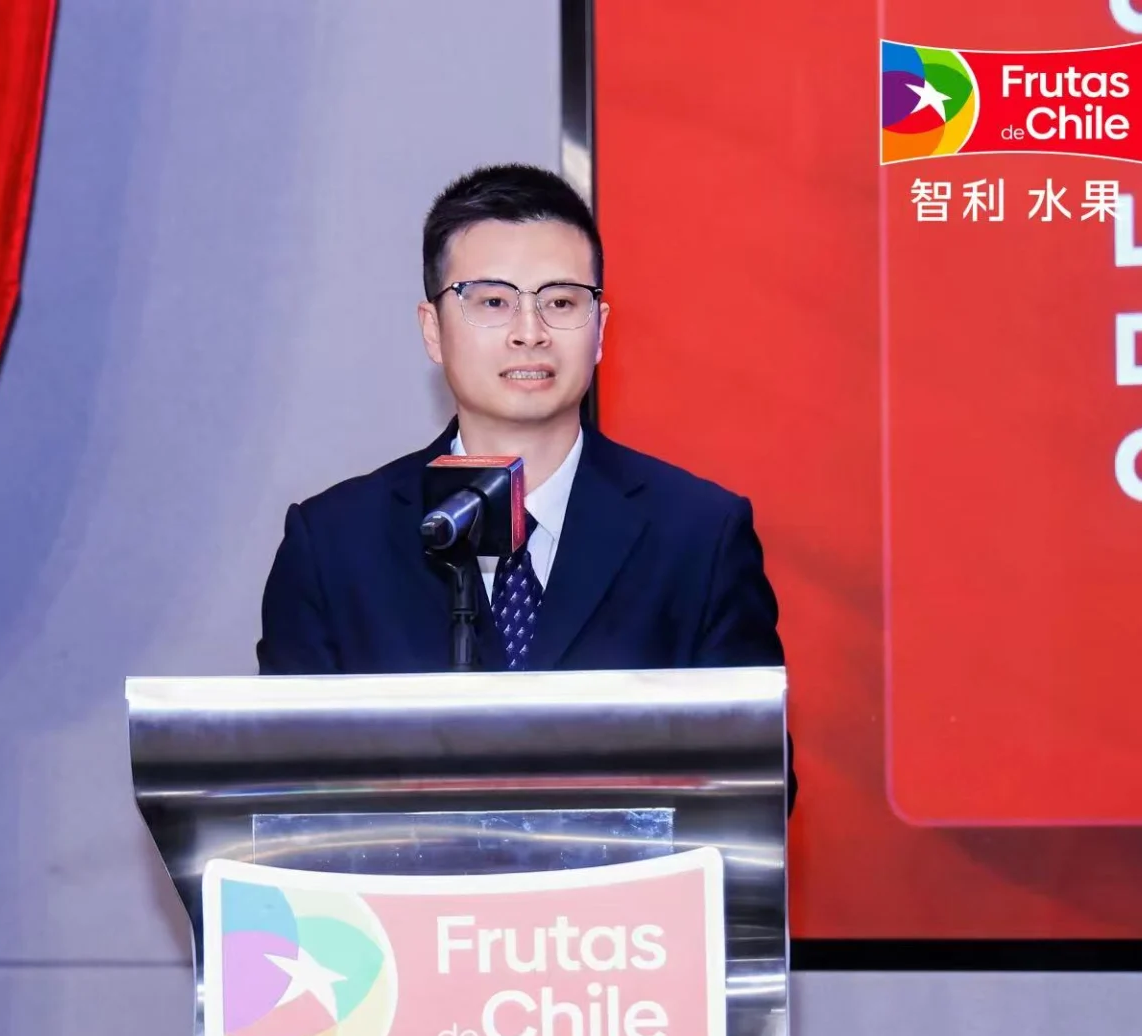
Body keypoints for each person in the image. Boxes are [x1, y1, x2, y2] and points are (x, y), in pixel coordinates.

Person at [257, 162, 785, 681]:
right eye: (493, 301)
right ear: (433, 330)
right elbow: (294, 742)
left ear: (599, 330)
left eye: (560, 301)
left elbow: (749, 740)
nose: (530, 332)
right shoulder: (333, 547)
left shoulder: (700, 538)